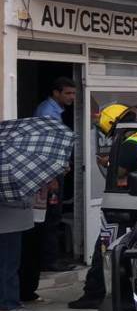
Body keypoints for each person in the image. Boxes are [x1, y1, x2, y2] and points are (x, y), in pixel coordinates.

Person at [70, 104, 137, 309]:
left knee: (105, 248)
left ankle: (94, 294)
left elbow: (119, 172)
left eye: (111, 132)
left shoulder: (132, 143)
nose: (111, 137)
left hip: (123, 205)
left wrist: (107, 163)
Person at [34, 77, 77, 273]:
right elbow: (45, 147)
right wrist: (51, 176)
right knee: (51, 217)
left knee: (53, 216)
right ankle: (48, 261)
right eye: (68, 93)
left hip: (55, 169)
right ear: (56, 93)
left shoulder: (54, 111)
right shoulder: (48, 113)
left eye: (73, 93)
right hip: (49, 172)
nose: (72, 97)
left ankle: (49, 259)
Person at [1, 195, 36, 311]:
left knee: (8, 263)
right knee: (8, 264)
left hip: (11, 220)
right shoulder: (7, 177)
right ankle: (7, 304)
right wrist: (25, 201)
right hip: (8, 222)